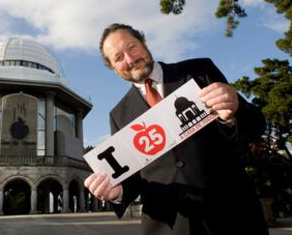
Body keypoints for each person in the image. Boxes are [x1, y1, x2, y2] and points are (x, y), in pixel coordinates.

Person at [84, 23, 269, 235]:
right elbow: (133, 179)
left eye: (132, 47)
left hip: (233, 216)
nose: (129, 58)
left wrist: (234, 112)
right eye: (118, 57)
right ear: (114, 70)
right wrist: (117, 192)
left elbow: (256, 127)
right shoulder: (118, 115)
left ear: (144, 43)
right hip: (169, 225)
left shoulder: (199, 71)